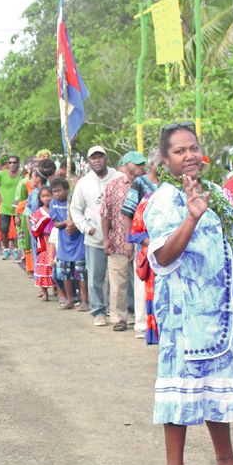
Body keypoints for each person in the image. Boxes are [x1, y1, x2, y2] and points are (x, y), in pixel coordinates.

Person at [145, 123, 233, 465]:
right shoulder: (164, 199)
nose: (189, 156)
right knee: (180, 387)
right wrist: (191, 218)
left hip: (223, 311)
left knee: (217, 383)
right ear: (165, 160)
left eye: (193, 148)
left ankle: (226, 461)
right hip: (186, 315)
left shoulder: (213, 191)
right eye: (180, 151)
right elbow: (162, 257)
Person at [70, 145, 119, 325]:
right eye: (93, 158)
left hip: (118, 238)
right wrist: (86, 228)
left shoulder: (118, 177)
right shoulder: (84, 182)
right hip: (94, 238)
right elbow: (75, 209)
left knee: (120, 276)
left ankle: (123, 310)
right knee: (96, 276)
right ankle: (98, 311)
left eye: (100, 156)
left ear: (106, 158)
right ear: (89, 161)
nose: (97, 160)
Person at [101, 151, 144, 331]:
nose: (142, 168)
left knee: (142, 283)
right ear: (126, 166)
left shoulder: (147, 185)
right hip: (118, 241)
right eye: (138, 164)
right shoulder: (113, 186)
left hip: (142, 242)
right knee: (118, 283)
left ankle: (143, 319)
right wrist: (106, 239)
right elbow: (105, 213)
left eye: (143, 164)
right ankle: (119, 318)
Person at [124, 152, 161, 339]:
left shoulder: (168, 184)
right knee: (142, 281)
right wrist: (128, 240)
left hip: (165, 243)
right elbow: (128, 211)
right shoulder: (140, 183)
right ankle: (141, 324)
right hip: (144, 240)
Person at [50, 177, 87, 310]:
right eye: (54, 191)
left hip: (78, 243)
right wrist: (66, 223)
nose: (57, 194)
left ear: (66, 190)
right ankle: (69, 299)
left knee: (81, 272)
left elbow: (82, 218)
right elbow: (55, 223)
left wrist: (74, 225)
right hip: (64, 244)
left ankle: (84, 301)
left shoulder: (73, 201)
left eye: (59, 190)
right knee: (65, 273)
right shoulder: (53, 203)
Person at [0, 155, 24, 259]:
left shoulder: (22, 175)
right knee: (3, 230)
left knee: (18, 230)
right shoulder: (2, 175)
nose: (12, 164)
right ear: (8, 164)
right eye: (10, 162)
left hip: (18, 207)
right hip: (4, 207)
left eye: (15, 162)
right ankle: (6, 249)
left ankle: (15, 249)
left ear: (18, 164)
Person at [29, 185, 55, 300]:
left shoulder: (56, 209)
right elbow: (34, 230)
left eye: (48, 196)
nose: (46, 198)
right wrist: (44, 221)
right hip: (43, 245)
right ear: (40, 198)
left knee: (55, 268)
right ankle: (44, 292)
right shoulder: (38, 213)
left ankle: (57, 289)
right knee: (44, 268)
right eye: (44, 196)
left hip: (56, 245)